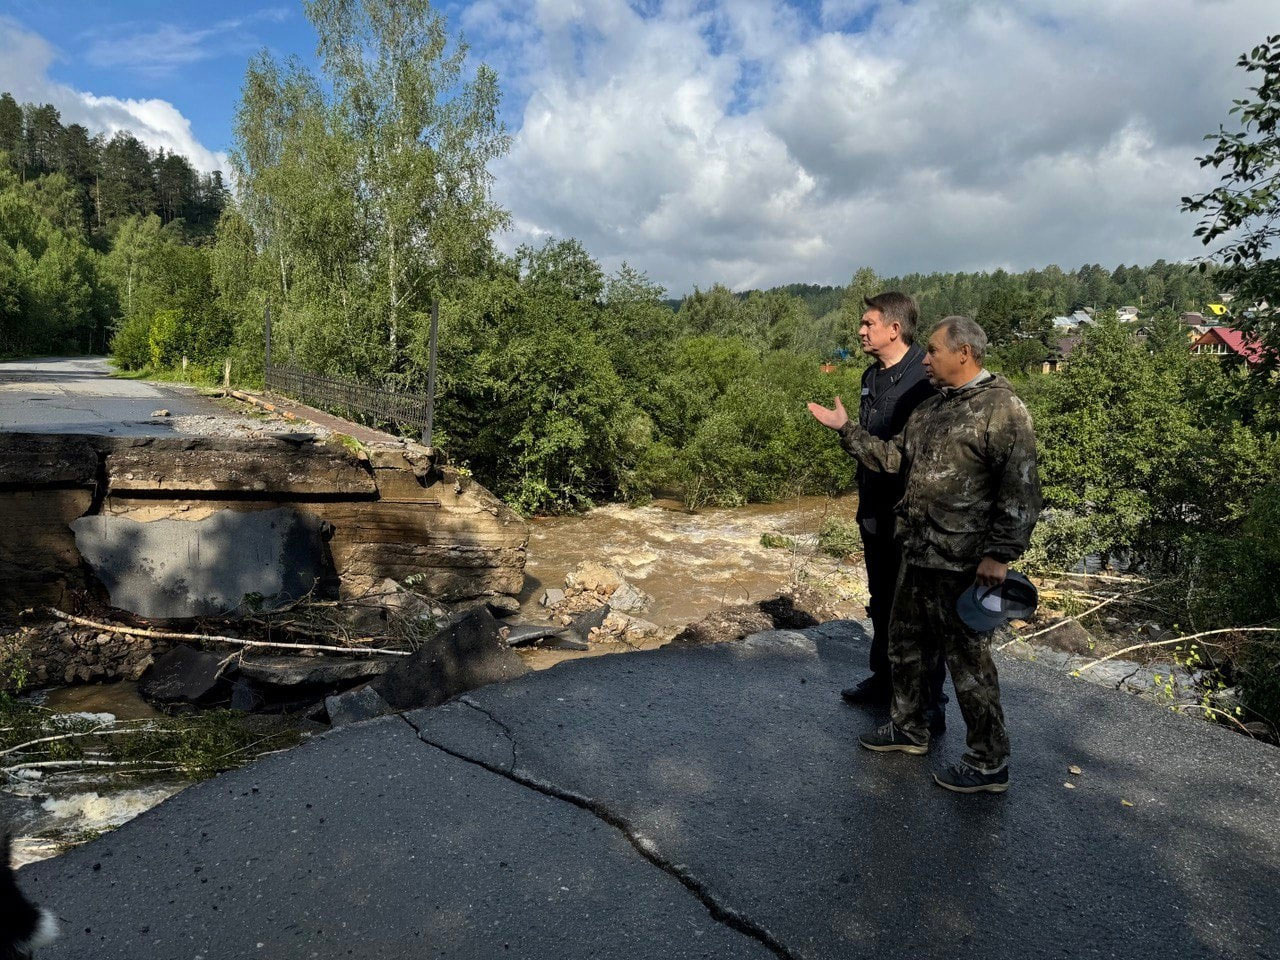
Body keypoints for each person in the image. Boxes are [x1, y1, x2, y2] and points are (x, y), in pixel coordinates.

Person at [808, 316, 1041, 793]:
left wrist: (999, 554)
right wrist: (846, 429)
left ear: (965, 354)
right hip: (918, 552)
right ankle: (909, 728)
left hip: (965, 562)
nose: (927, 359)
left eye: (933, 351)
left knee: (969, 665)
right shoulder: (932, 408)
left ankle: (988, 762)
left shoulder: (1003, 409)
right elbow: (893, 458)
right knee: (905, 646)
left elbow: (1020, 491)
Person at [837, 292, 944, 733]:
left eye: (868, 323)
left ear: (894, 328)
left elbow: (907, 455)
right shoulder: (870, 376)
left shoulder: (924, 378)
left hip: (912, 515)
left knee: (918, 611)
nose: (860, 331)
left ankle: (929, 703)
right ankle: (885, 682)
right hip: (873, 508)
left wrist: (845, 431)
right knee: (881, 600)